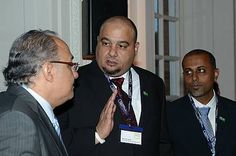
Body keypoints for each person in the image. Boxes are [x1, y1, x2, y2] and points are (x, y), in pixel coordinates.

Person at [57, 16, 166, 156]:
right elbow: (58, 143)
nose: (112, 53)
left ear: (135, 47)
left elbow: (163, 142)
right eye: (106, 43)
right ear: (98, 42)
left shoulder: (153, 84)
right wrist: (96, 135)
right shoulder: (72, 83)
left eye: (121, 46)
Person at [0, 30, 78, 155]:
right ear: (48, 71)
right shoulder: (18, 119)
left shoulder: (27, 109)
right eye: (70, 65)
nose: (76, 74)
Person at [164, 49, 236, 156]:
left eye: (201, 70)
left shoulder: (232, 110)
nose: (194, 78)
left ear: (215, 74)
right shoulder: (169, 114)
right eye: (188, 72)